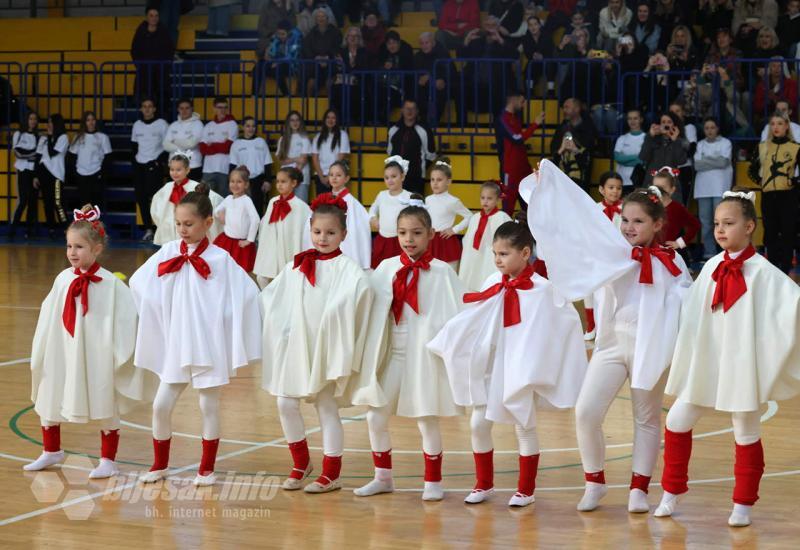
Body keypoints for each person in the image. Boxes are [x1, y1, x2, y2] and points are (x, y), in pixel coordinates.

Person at [522, 159, 692, 514]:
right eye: (625, 220)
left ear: (658, 224)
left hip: (650, 347)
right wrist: (546, 189)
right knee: (586, 412)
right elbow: (574, 226)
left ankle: (638, 489)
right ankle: (594, 483)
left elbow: (688, 305)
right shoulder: (609, 253)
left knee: (646, 418)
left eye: (639, 221)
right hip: (612, 344)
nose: (629, 227)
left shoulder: (672, 264)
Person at [655, 191, 800, 527]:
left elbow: (790, 306)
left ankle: (743, 504)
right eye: (717, 224)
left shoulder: (763, 271)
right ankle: (670, 492)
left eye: (729, 223)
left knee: (745, 431)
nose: (720, 230)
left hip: (741, 365)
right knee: (676, 421)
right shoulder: (711, 266)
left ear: (750, 226)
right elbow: (693, 311)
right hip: (709, 360)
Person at [428, 221, 587, 507]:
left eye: (504, 254)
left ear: (525, 253)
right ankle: (483, 484)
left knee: (523, 426)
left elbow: (564, 320)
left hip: (520, 366)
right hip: (490, 365)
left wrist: (539, 356)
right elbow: (475, 316)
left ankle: (526, 489)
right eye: (495, 254)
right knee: (478, 423)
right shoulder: (492, 281)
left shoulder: (542, 289)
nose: (498, 260)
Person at [131, 184, 262, 487]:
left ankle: (206, 468)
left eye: (189, 224)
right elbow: (140, 283)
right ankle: (160, 464)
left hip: (208, 344)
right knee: (160, 405)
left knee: (208, 405)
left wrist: (225, 324)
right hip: (177, 342)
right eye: (178, 223)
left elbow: (248, 295)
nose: (182, 229)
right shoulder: (167, 252)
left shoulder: (221, 259)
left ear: (208, 222)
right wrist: (159, 313)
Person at [24, 205, 156, 477]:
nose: (72, 252)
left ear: (96, 249)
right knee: (51, 390)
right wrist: (43, 349)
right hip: (63, 349)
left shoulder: (111, 285)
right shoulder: (62, 280)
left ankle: (108, 460)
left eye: (80, 247)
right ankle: (51, 450)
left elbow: (127, 320)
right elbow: (49, 317)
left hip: (97, 354)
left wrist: (116, 352)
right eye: (69, 246)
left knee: (104, 396)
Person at [351, 197, 465, 501]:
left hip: (424, 356)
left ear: (429, 234)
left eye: (416, 233)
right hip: (393, 356)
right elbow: (368, 305)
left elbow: (459, 316)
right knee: (375, 417)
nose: (408, 239)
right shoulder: (386, 267)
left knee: (426, 418)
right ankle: (382, 477)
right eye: (402, 233)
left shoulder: (442, 272)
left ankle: (433, 482)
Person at [261, 195, 374, 493]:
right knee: (285, 402)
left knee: (326, 407)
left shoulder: (349, 270)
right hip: (297, 347)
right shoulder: (297, 266)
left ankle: (331, 473)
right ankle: (300, 462)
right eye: (318, 232)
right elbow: (272, 299)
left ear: (344, 235)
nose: (323, 238)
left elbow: (359, 299)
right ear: (309, 230)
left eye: (331, 233)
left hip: (325, 349)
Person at [748, 113, 800, 274]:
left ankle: (785, 267)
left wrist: (795, 183)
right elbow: (752, 169)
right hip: (768, 196)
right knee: (769, 231)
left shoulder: (795, 147)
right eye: (773, 124)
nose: (776, 127)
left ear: (786, 126)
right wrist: (762, 182)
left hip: (788, 195)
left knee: (788, 231)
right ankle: (771, 268)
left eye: (780, 124)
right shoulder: (763, 146)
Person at [301, 160, 371, 269]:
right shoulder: (323, 199)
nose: (334, 178)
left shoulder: (353, 203)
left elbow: (359, 231)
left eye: (338, 175)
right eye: (331, 175)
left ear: (346, 178)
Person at [253, 167, 312, 288]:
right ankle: (267, 300)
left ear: (294, 183)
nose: (279, 185)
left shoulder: (301, 206)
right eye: (278, 181)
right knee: (261, 277)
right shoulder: (273, 202)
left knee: (286, 281)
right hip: (272, 248)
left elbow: (305, 231)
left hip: (289, 249)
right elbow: (265, 225)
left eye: (283, 181)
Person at [583, 171, 625, 340]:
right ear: (601, 189)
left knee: (613, 292)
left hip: (617, 258)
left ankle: (611, 326)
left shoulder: (626, 209)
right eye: (611, 187)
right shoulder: (594, 209)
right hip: (596, 256)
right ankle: (591, 324)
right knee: (590, 289)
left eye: (619, 188)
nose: (615, 191)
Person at [150, 151, 223, 246]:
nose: (175, 173)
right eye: (172, 169)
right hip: (169, 231)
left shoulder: (196, 187)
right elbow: (156, 207)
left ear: (188, 170)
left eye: (178, 170)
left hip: (189, 229)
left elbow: (214, 199)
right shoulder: (167, 188)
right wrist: (163, 223)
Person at [458, 181, 513, 291]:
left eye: (489, 198)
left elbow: (508, 240)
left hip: (490, 255)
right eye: (483, 198)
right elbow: (468, 240)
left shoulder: (502, 217)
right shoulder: (475, 218)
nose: (485, 201)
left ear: (497, 200)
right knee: (472, 279)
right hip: (474, 255)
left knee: (488, 274)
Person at [496, 91, 544, 213]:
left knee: (528, 205)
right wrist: (535, 124)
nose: (523, 106)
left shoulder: (514, 118)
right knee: (508, 205)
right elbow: (516, 138)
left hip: (522, 168)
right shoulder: (503, 118)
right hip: (510, 169)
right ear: (513, 99)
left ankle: (528, 231)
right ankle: (505, 231)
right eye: (522, 101)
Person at [693, 118, 733, 260]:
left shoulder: (725, 143)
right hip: (703, 188)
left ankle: (725, 250)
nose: (709, 130)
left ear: (717, 129)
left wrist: (705, 160)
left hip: (720, 187)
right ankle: (709, 252)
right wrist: (715, 160)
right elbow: (697, 165)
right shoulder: (700, 144)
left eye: (712, 127)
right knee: (706, 222)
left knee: (722, 221)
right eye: (707, 128)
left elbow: (723, 162)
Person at [131, 98, 168, 242]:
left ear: (154, 109)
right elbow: (133, 146)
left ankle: (160, 229)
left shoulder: (162, 124)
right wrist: (135, 162)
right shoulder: (137, 125)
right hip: (139, 166)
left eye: (150, 106)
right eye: (144, 106)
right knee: (141, 198)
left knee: (156, 199)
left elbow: (167, 145)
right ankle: (148, 229)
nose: (147, 109)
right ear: (141, 109)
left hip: (154, 165)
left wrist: (158, 162)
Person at [425, 158, 472, 269]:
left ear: (448, 182)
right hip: (430, 241)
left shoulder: (453, 201)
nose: (435, 183)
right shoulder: (428, 199)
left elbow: (469, 216)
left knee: (449, 274)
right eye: (432, 179)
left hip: (446, 242)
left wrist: (454, 230)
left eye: (439, 180)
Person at [213, 166, 260, 272]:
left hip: (241, 244)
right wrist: (221, 215)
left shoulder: (246, 200)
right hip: (226, 240)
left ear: (246, 185)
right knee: (223, 268)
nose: (235, 185)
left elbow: (256, 219)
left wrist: (249, 240)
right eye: (232, 181)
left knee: (239, 271)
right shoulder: (228, 199)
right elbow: (216, 211)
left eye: (239, 182)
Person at [369, 156, 413, 268]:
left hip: (400, 241)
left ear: (402, 176)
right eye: (386, 177)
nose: (390, 180)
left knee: (399, 268)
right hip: (383, 240)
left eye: (394, 176)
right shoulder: (382, 195)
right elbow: (373, 208)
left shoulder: (408, 196)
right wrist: (373, 218)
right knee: (381, 268)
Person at [386, 100, 436, 195]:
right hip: (396, 178)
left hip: (416, 179)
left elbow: (431, 155)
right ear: (402, 110)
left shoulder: (424, 130)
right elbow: (390, 153)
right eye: (407, 108)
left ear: (417, 111)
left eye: (413, 108)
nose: (410, 111)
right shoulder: (393, 130)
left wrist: (417, 170)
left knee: (416, 208)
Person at [550, 98, 598, 192]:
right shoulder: (562, 127)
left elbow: (590, 149)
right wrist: (561, 148)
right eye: (563, 108)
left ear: (577, 109)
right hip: (562, 175)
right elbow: (553, 148)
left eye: (567, 107)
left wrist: (575, 148)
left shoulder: (588, 126)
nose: (564, 110)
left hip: (580, 177)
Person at [229, 116, 273, 217]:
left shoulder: (261, 142)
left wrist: (268, 181)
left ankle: (257, 232)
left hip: (258, 181)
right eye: (248, 126)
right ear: (243, 127)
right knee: (242, 211)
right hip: (242, 181)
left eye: (253, 126)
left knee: (257, 210)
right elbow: (232, 166)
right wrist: (231, 183)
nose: (251, 128)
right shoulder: (236, 144)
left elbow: (267, 163)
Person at [130, 7, 174, 104]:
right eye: (151, 15)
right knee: (144, 100)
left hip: (161, 73)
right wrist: (141, 66)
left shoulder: (164, 32)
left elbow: (170, 51)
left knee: (162, 101)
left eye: (156, 16)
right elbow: (134, 51)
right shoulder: (140, 32)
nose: (154, 18)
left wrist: (165, 67)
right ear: (146, 18)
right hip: (144, 74)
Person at [69, 111, 112, 210]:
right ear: (84, 122)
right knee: (84, 205)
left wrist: (101, 174)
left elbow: (108, 157)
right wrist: (76, 173)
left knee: (96, 206)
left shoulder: (102, 137)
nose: (91, 122)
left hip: (96, 174)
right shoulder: (78, 137)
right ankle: (86, 226)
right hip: (81, 175)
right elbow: (72, 156)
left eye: (93, 119)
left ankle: (96, 225)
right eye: (88, 120)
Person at [35, 113, 69, 238]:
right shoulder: (43, 139)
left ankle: (66, 227)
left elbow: (51, 152)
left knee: (58, 202)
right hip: (44, 173)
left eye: (50, 122)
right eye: (47, 122)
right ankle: (51, 228)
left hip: (56, 174)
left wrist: (49, 137)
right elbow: (38, 157)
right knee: (47, 202)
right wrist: (36, 175)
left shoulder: (63, 138)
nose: (48, 125)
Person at [653, 168, 700, 254]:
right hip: (651, 251)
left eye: (663, 187)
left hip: (670, 254)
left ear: (672, 190)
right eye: (656, 187)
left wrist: (680, 243)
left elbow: (695, 225)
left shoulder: (677, 208)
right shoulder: (648, 206)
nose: (659, 190)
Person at [413, 32, 457, 125]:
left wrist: (438, 78)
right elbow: (413, 74)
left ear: (433, 42)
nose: (424, 46)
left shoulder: (443, 53)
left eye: (427, 43)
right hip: (423, 89)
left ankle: (431, 123)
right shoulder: (417, 57)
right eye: (422, 43)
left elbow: (452, 72)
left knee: (436, 92)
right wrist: (419, 79)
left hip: (440, 88)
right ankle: (422, 123)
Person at [9, 111, 39, 240]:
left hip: (33, 171)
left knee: (33, 202)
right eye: (30, 118)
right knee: (23, 201)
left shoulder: (38, 136)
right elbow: (17, 153)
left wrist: (28, 154)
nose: (32, 121)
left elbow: (37, 156)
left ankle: (29, 231)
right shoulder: (19, 134)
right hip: (22, 170)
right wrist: (31, 154)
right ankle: (12, 230)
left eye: (35, 119)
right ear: (26, 120)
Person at [199, 97, 238, 197]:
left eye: (225, 107)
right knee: (205, 199)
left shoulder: (232, 124)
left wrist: (211, 145)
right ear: (214, 108)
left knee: (222, 199)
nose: (222, 110)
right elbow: (203, 149)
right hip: (208, 169)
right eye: (220, 107)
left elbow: (227, 147)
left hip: (224, 169)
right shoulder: (208, 126)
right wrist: (220, 145)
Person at [639, 112, 689, 187]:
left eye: (669, 122)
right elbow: (643, 157)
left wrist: (676, 141)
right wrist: (650, 136)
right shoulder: (652, 139)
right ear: (659, 124)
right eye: (663, 122)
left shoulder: (679, 141)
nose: (666, 125)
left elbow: (681, 161)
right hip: (652, 182)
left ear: (674, 125)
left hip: (670, 184)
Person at [254, 19, 303, 97]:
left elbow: (292, 57)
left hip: (291, 65)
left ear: (289, 33)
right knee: (259, 66)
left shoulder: (296, 39)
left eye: (283, 34)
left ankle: (286, 94)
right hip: (275, 63)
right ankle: (254, 94)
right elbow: (271, 51)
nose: (280, 36)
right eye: (279, 34)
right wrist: (267, 53)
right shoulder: (275, 38)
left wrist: (278, 61)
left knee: (278, 69)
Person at [301, 8, 342, 95]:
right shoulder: (311, 33)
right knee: (311, 82)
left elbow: (338, 47)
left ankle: (331, 105)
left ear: (327, 18)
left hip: (331, 63)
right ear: (315, 19)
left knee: (329, 82)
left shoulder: (335, 32)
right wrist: (316, 58)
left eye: (323, 16)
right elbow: (306, 48)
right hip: (315, 64)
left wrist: (328, 57)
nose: (321, 18)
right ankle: (308, 104)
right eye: (318, 17)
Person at [163, 98, 205, 181]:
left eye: (187, 108)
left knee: (191, 194)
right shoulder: (173, 125)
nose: (184, 110)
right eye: (181, 108)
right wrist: (183, 147)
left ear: (192, 109)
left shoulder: (198, 124)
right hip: (174, 167)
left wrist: (174, 141)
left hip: (192, 166)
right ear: (178, 109)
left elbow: (191, 144)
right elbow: (165, 145)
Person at [312, 109, 350, 195]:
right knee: (321, 206)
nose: (330, 120)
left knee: (336, 206)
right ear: (324, 119)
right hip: (320, 176)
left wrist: (330, 176)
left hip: (336, 176)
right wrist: (322, 177)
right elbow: (315, 159)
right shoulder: (318, 137)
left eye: (333, 118)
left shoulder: (343, 135)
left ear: (337, 120)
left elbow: (341, 156)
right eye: (328, 117)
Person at [276, 111, 312, 201]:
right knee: (286, 208)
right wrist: (296, 159)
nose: (295, 123)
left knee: (301, 208)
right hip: (285, 179)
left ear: (300, 122)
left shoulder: (304, 138)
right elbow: (281, 160)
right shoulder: (282, 139)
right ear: (288, 122)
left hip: (301, 178)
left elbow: (303, 160)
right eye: (292, 120)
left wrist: (294, 177)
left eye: (297, 120)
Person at [754, 59, 798, 126]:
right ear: (770, 68)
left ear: (784, 68)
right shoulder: (762, 85)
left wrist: (775, 99)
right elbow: (757, 106)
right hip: (767, 117)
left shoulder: (791, 83)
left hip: (786, 117)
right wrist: (767, 100)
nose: (777, 69)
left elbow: (793, 104)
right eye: (774, 66)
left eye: (779, 66)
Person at [614, 109, 646, 189]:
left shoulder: (647, 138)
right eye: (630, 118)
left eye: (635, 118)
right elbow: (618, 158)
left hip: (641, 182)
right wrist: (637, 157)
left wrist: (625, 161)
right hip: (622, 182)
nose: (632, 121)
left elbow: (645, 160)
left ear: (641, 120)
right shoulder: (622, 138)